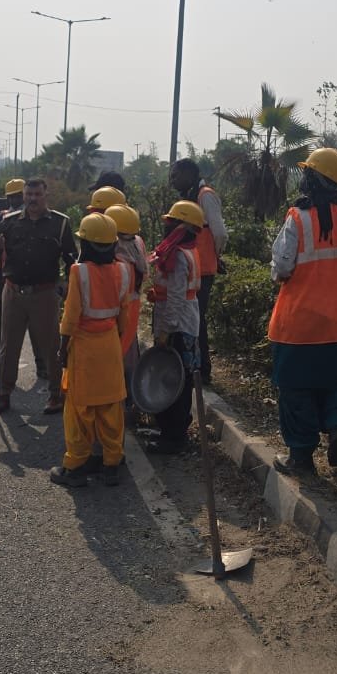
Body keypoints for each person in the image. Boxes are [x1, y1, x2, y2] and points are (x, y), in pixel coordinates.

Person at [268, 148, 337, 478]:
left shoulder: (298, 218)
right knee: (335, 382)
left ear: (313, 179)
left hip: (300, 326)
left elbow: (282, 268)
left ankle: (301, 458)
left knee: (295, 388)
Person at [50, 214, 131, 488]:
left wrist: (62, 348)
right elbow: (124, 315)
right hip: (110, 345)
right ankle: (111, 464)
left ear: (85, 243)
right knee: (110, 407)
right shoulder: (123, 271)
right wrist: (115, 339)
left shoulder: (79, 272)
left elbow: (71, 316)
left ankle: (75, 466)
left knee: (79, 409)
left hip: (84, 348)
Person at [0, 176, 77, 415]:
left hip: (45, 293)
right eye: (29, 194)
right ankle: (3, 394)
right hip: (13, 291)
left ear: (45, 195)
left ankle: (56, 395)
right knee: (8, 346)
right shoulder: (8, 222)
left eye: (37, 194)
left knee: (51, 346)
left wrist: (67, 285)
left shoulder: (60, 223)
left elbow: (71, 259)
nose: (32, 199)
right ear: (23, 195)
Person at [146, 199, 204, 455]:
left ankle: (174, 436)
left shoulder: (179, 255)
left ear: (182, 227)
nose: (167, 227)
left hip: (178, 326)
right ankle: (169, 431)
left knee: (176, 381)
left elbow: (177, 298)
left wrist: (165, 331)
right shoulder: (184, 250)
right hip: (183, 322)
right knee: (176, 378)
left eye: (171, 223)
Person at [169, 158, 227, 384]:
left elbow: (219, 233)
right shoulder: (189, 196)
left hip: (201, 269)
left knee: (197, 319)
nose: (173, 181)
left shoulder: (205, 196)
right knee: (189, 318)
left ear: (188, 174)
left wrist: (215, 255)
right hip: (189, 268)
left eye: (175, 175)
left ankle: (202, 369)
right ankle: (190, 365)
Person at [105, 201, 148, 410]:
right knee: (128, 355)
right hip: (133, 309)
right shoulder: (137, 245)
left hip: (118, 315)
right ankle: (130, 403)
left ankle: (117, 405)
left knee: (115, 359)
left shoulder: (119, 261)